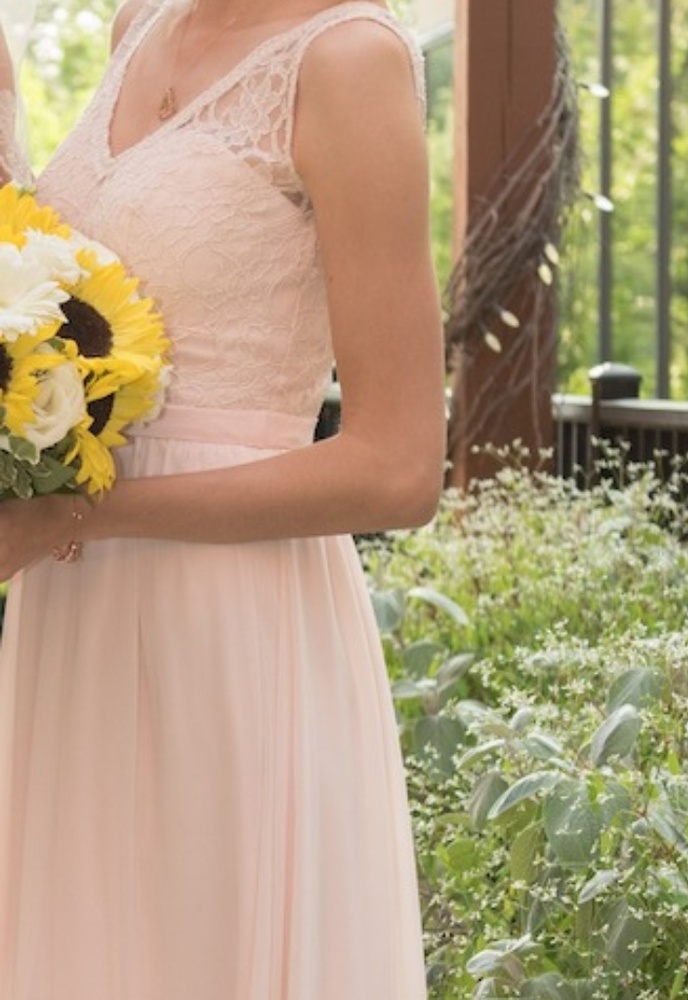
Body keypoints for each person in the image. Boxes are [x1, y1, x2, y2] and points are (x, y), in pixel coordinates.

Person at [0, 1, 445, 997]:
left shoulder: (348, 60)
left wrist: (78, 514)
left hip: (229, 620)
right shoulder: (139, 25)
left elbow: (399, 466)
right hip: (73, 610)